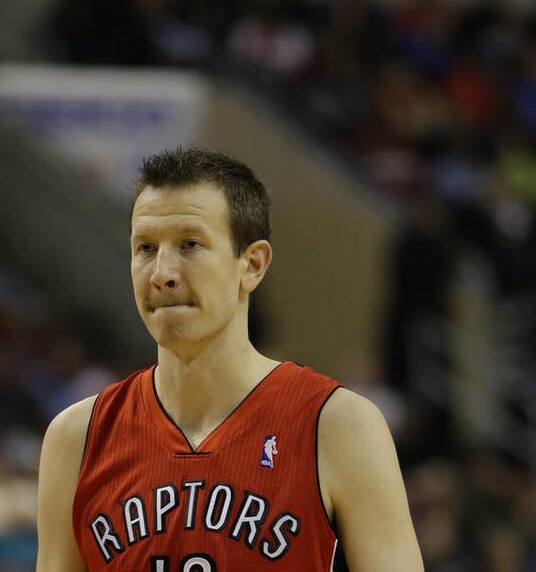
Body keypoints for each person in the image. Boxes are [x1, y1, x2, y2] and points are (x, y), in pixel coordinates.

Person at [36, 148, 423, 571]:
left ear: (252, 265)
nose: (162, 273)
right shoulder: (77, 438)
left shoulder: (339, 426)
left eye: (190, 244)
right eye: (145, 248)